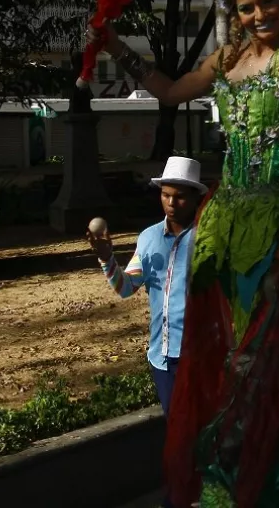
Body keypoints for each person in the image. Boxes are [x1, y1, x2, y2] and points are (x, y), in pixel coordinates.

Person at [88, 0, 279, 508]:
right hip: (229, 221)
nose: (259, 15)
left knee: (269, 351)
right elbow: (168, 91)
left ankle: (270, 472)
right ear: (234, 11)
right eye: (246, 7)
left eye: (268, 3)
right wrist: (113, 42)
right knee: (233, 347)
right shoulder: (226, 60)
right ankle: (242, 464)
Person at [89, 156, 203, 416]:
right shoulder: (149, 238)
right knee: (176, 430)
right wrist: (107, 258)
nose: (171, 203)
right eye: (165, 195)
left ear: (196, 197)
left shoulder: (208, 238)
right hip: (161, 358)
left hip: (200, 356)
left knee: (201, 431)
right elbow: (126, 287)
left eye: (180, 197)